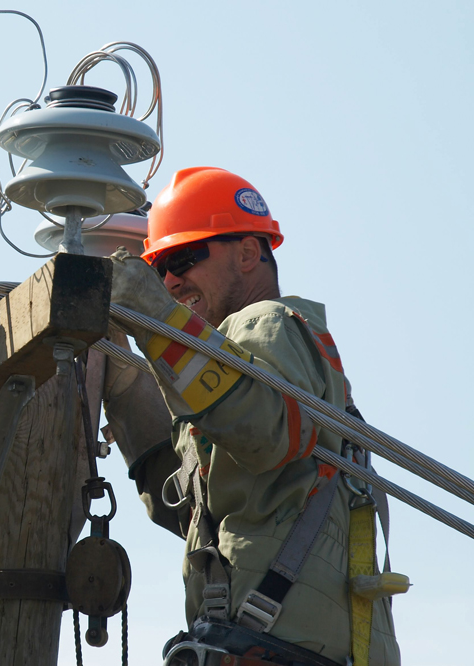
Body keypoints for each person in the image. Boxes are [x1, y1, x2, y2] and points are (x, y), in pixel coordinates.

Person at [103, 167, 400, 665]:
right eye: (159, 272)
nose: (171, 280)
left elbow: (265, 430)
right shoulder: (223, 379)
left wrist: (154, 315)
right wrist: (118, 371)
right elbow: (183, 503)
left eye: (183, 258)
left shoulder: (266, 321)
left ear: (246, 253)